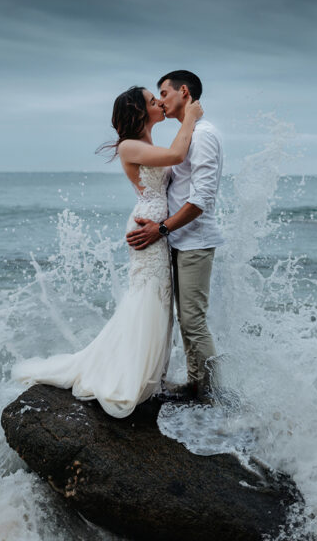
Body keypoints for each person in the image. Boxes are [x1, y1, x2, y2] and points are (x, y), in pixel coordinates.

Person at [12, 85, 203, 418]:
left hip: (157, 228)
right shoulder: (130, 146)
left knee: (156, 300)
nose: (158, 102)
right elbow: (176, 156)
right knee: (147, 298)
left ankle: (151, 374)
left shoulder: (146, 143)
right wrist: (191, 117)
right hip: (146, 229)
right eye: (151, 99)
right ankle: (130, 375)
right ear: (139, 111)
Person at [127, 70, 224, 401]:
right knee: (185, 321)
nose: (161, 102)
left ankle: (213, 395)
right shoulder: (187, 133)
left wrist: (162, 227)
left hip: (194, 239)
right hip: (177, 239)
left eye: (164, 94)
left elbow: (201, 198)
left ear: (184, 92)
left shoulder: (204, 134)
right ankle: (196, 384)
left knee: (193, 321)